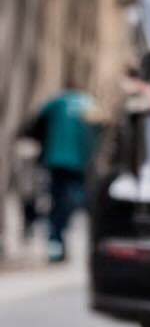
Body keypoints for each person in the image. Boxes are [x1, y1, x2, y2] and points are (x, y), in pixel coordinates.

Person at [21, 87, 96, 262]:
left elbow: (35, 125)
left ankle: (55, 240)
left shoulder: (54, 102)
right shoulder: (88, 104)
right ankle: (56, 240)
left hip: (56, 160)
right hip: (77, 163)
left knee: (58, 201)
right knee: (69, 202)